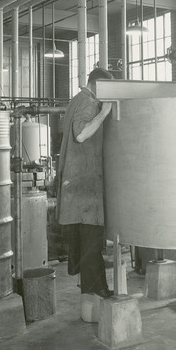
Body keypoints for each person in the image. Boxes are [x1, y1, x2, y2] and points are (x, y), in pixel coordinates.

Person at [57, 67, 115, 299]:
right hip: (84, 181)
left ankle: (89, 285)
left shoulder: (77, 99)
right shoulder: (90, 103)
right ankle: (98, 287)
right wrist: (105, 113)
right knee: (91, 237)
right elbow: (80, 134)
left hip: (76, 179)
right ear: (97, 85)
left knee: (84, 237)